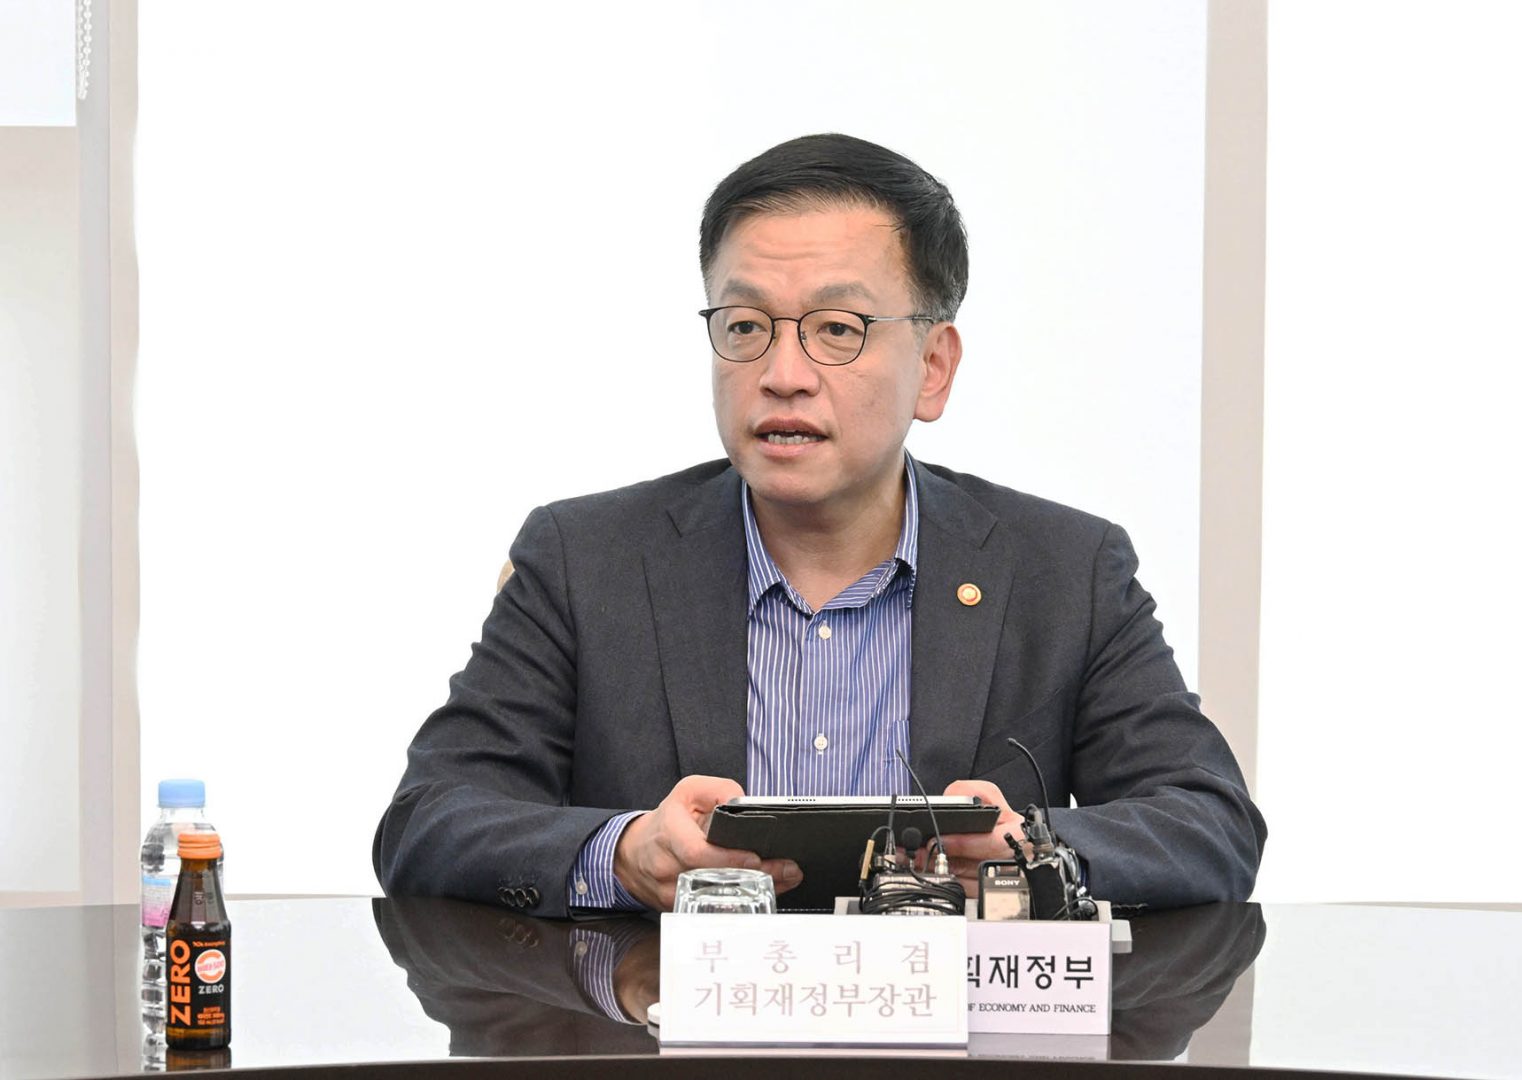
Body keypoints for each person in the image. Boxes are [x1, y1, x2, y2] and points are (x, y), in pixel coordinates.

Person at [373, 133, 1265, 916]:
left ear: (933, 366)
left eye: (836, 329)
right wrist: (622, 855)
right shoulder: (585, 560)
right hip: (660, 1032)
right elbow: (429, 820)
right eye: (745, 325)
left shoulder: (1062, 569)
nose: (783, 373)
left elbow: (1209, 824)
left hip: (952, 1035)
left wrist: (1030, 852)